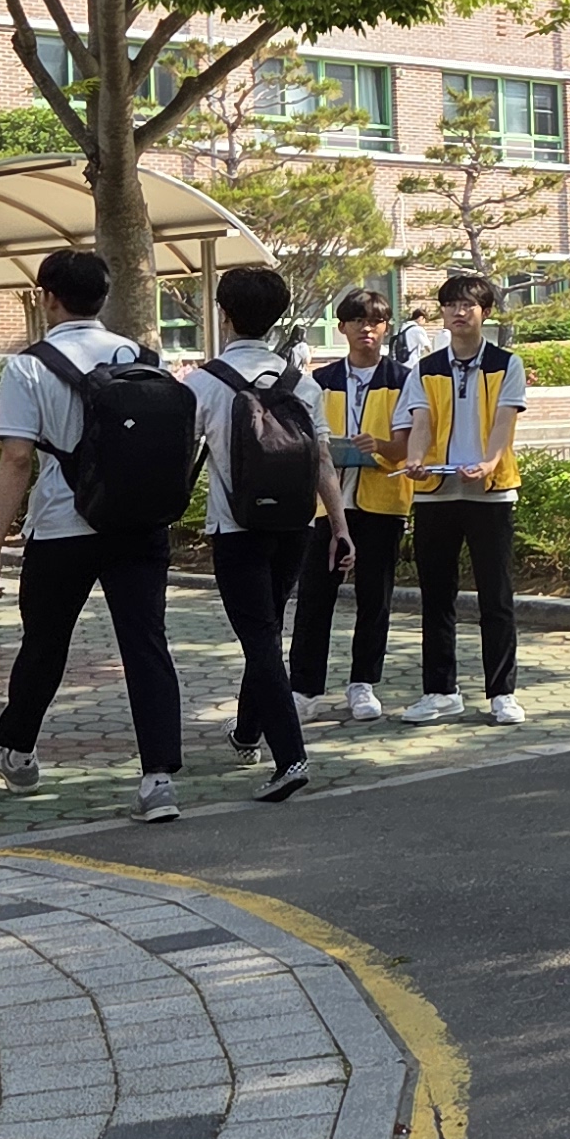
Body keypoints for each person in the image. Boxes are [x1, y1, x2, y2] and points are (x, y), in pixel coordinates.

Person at [0, 249, 196, 824]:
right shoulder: (143, 355)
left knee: (46, 643)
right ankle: (157, 780)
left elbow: (18, 460)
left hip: (62, 526)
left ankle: (17, 749)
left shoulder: (29, 367)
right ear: (102, 295)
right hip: (141, 524)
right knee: (146, 645)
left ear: (48, 297)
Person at [187, 265, 345, 802]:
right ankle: (248, 731)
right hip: (296, 527)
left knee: (258, 638)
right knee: (267, 631)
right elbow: (322, 459)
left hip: (236, 528)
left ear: (224, 315)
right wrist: (339, 527)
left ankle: (290, 756)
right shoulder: (302, 383)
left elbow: (183, 458)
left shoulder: (205, 383)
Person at [397, 271, 530, 726]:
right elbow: (421, 424)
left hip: (491, 495)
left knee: (496, 596)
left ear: (485, 312)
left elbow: (504, 423)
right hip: (436, 493)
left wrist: (491, 464)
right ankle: (440, 690)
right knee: (436, 596)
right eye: (451, 304)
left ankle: (502, 693)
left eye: (467, 304)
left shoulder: (506, 363)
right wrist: (416, 460)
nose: (458, 312)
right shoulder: (426, 367)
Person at [292, 289, 411, 726]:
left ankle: (364, 683)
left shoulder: (403, 378)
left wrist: (379, 446)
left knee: (374, 597)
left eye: (376, 321)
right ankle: (304, 688)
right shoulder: (320, 382)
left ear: (386, 328)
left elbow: (407, 446)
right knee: (314, 598)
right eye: (358, 321)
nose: (367, 329)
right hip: (327, 505)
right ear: (341, 327)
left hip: (382, 501)